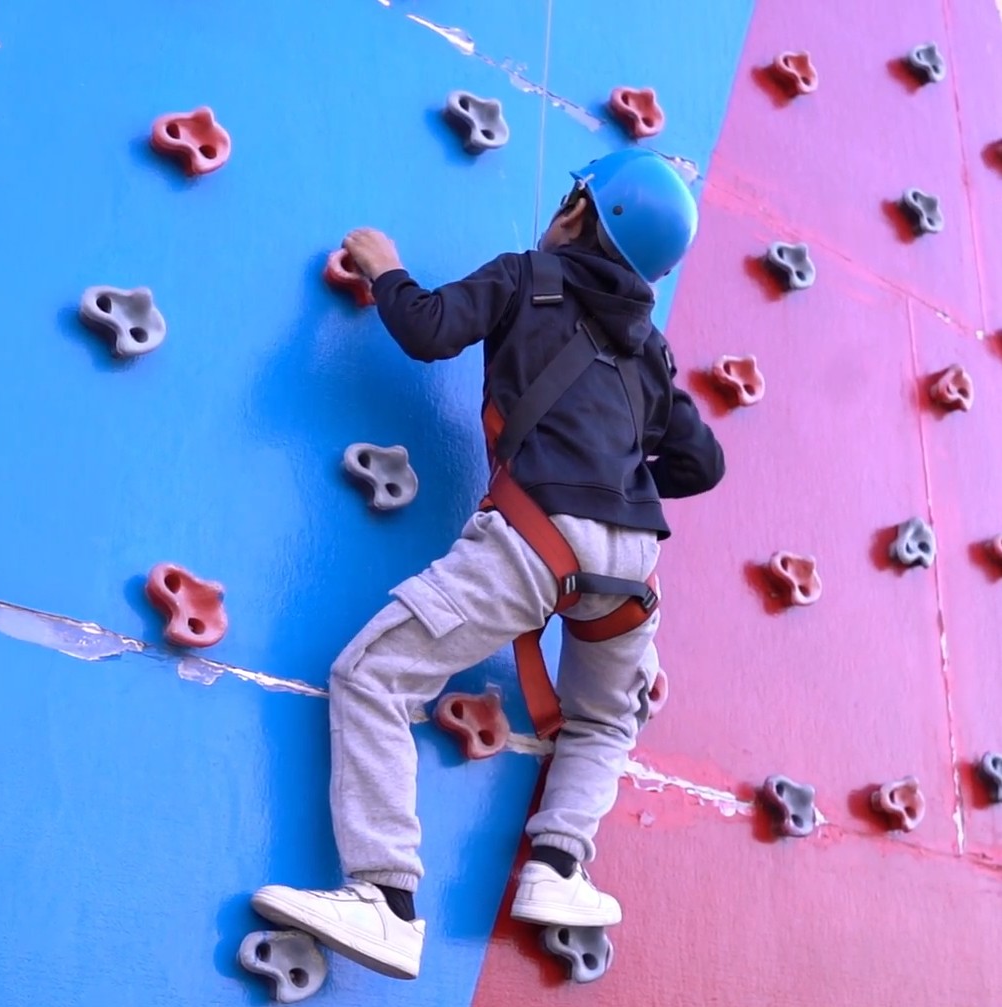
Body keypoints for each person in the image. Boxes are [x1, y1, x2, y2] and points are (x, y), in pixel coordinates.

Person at [251, 148, 725, 980]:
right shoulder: (650, 352)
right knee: (606, 719)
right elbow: (701, 466)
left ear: (580, 211)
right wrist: (619, 456)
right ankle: (559, 867)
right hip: (634, 566)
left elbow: (429, 329)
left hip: (539, 537)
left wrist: (385, 266)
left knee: (373, 674)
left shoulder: (525, 275)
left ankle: (386, 897)